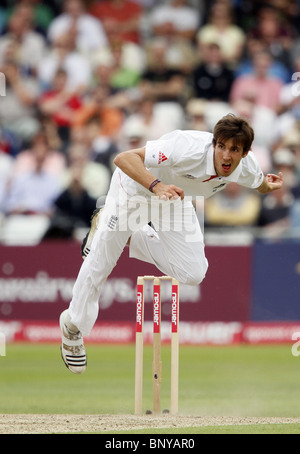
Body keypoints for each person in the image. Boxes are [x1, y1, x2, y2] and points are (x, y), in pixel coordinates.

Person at [59, 114, 283, 374]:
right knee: (101, 261)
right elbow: (123, 158)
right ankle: (73, 326)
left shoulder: (248, 167)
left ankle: (124, 233)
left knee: (193, 272)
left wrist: (270, 184)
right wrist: (156, 185)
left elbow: (260, 184)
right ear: (214, 143)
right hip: (136, 189)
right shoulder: (186, 146)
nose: (225, 155)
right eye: (221, 146)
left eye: (234, 150)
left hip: (173, 198)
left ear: (245, 154)